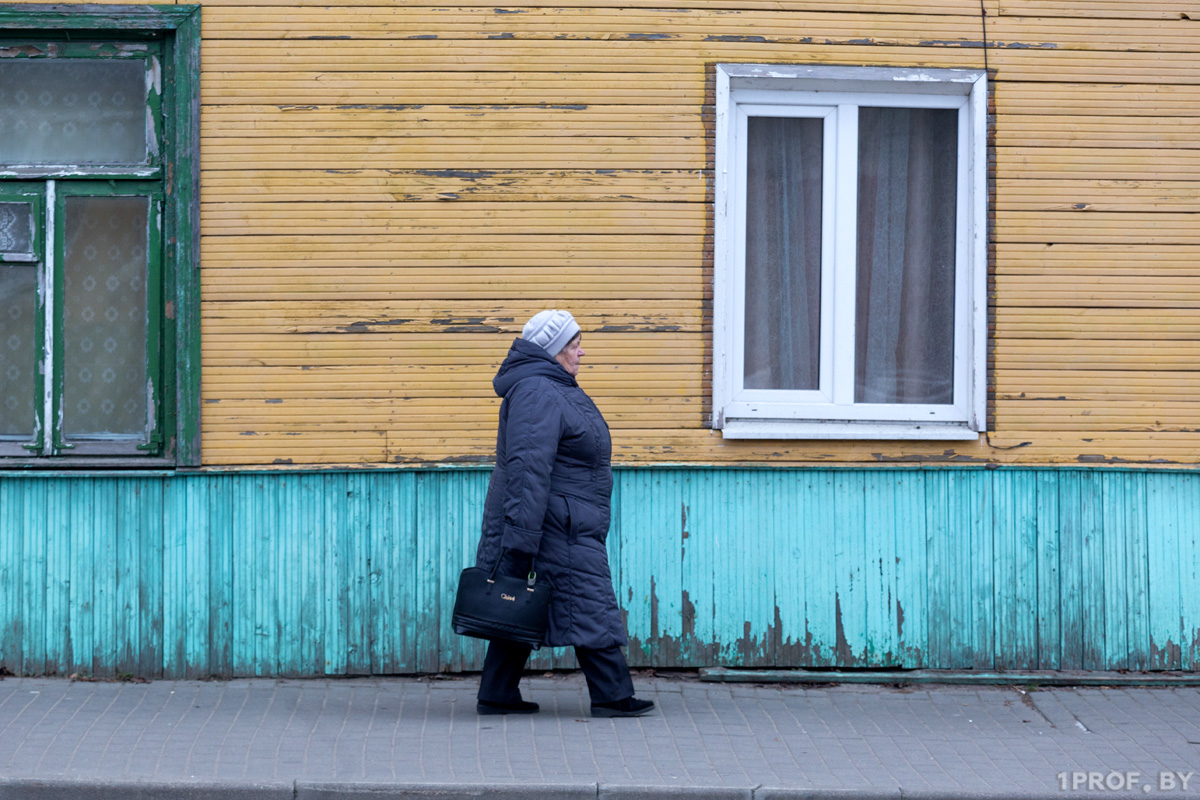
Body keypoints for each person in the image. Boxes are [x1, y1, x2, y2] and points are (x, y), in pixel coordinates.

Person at [472, 309, 654, 718]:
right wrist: (520, 536)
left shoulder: (551, 387)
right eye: (574, 345)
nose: (582, 353)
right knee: (589, 602)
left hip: (561, 519)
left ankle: (497, 693)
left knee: (519, 601)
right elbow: (527, 468)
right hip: (558, 525)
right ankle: (612, 695)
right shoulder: (538, 391)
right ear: (554, 350)